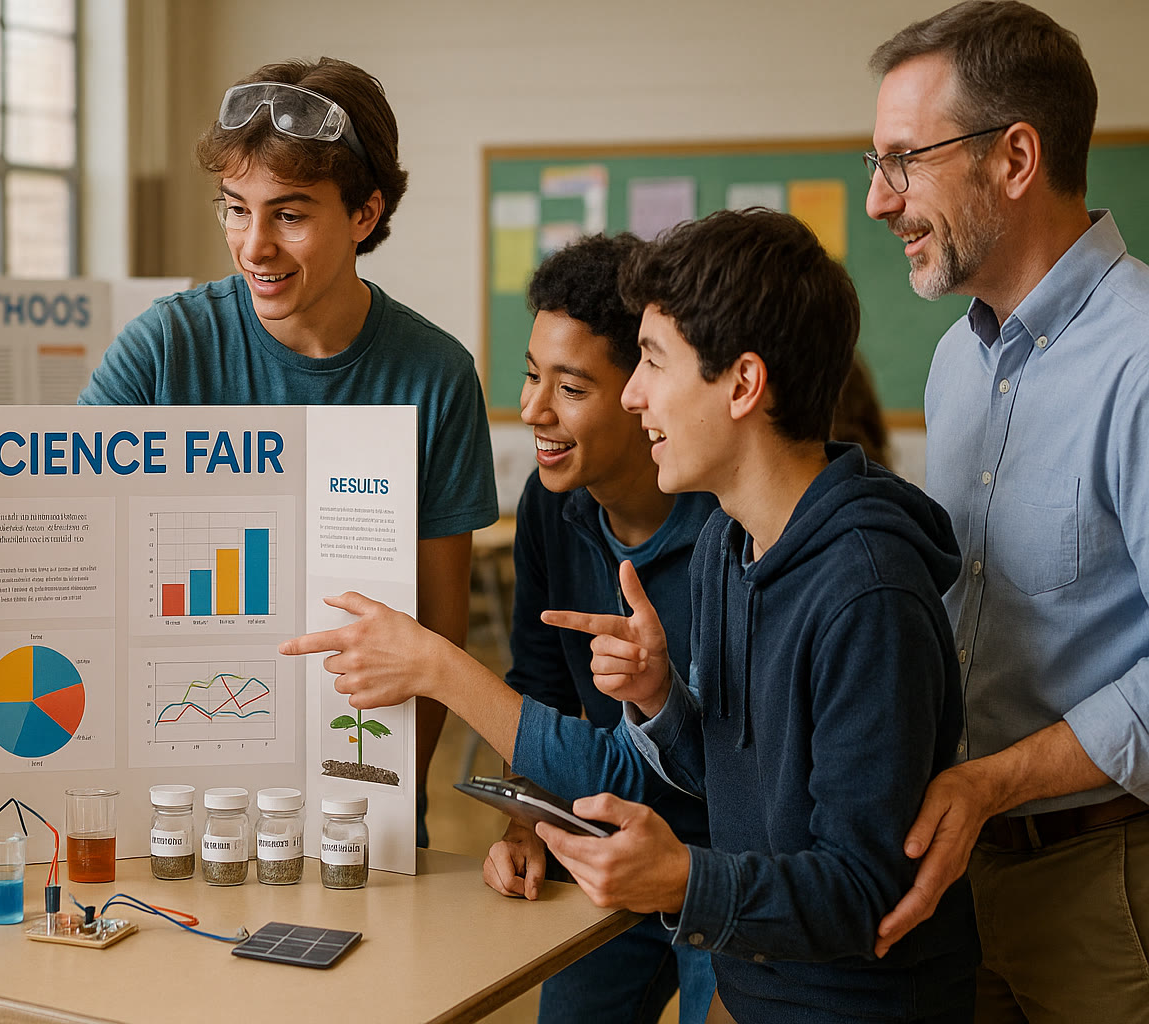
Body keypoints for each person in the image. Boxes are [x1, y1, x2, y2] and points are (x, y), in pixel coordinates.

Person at [527, 209, 979, 1022]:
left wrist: (681, 880)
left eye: (654, 364)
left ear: (742, 383)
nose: (634, 396)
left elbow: (861, 885)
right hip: (758, 986)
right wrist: (662, 699)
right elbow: (751, 792)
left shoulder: (867, 592)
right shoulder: (728, 548)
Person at [286, 232, 718, 1022]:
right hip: (599, 854)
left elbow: (663, 768)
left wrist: (440, 667)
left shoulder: (726, 531)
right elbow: (541, 686)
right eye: (529, 375)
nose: (532, 412)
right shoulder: (553, 511)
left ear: (642, 390)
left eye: (572, 387)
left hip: (718, 875)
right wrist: (528, 816)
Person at [77, 59, 497, 843]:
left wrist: (386, 801)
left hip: (353, 784)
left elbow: (439, 631)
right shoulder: (165, 347)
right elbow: (73, 544)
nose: (254, 245)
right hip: (181, 771)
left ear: (365, 214)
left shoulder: (435, 376)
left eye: (290, 216)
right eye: (236, 209)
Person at [864, 3, 1149, 1017]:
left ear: (1015, 156)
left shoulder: (1141, 358)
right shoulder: (954, 363)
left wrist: (993, 782)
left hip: (1102, 882)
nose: (875, 201)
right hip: (958, 877)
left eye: (903, 161)